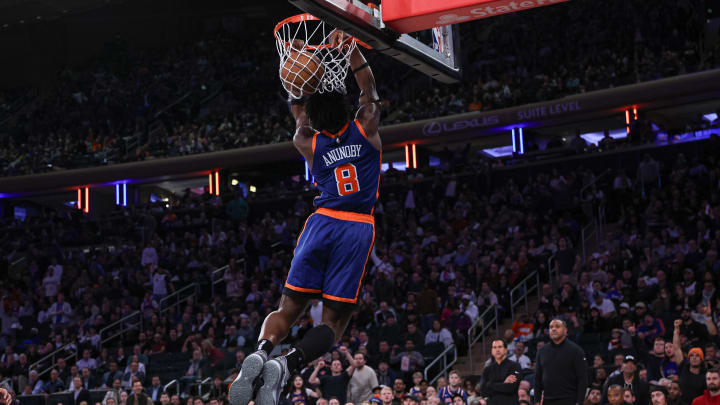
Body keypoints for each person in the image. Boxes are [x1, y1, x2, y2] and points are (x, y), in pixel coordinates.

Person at [229, 29, 382, 405]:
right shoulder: (365, 127)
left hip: (322, 221)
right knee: (334, 322)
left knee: (288, 308)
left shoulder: (307, 141)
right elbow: (369, 91)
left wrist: (295, 69)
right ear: (349, 111)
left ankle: (264, 349)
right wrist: (350, 49)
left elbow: (298, 110)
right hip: (357, 226)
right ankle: (288, 363)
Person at [534, 319, 587, 405]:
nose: (553, 329)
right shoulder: (542, 351)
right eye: (551, 327)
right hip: (547, 400)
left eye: (557, 326)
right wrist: (537, 401)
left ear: (565, 330)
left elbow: (582, 379)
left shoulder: (576, 350)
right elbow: (537, 378)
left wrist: (579, 402)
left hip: (570, 399)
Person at [481, 339, 521, 405]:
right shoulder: (487, 369)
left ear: (505, 350)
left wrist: (490, 384)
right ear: (492, 351)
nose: (497, 350)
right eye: (494, 347)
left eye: (500, 347)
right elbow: (484, 391)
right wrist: (503, 383)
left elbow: (510, 387)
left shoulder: (515, 366)